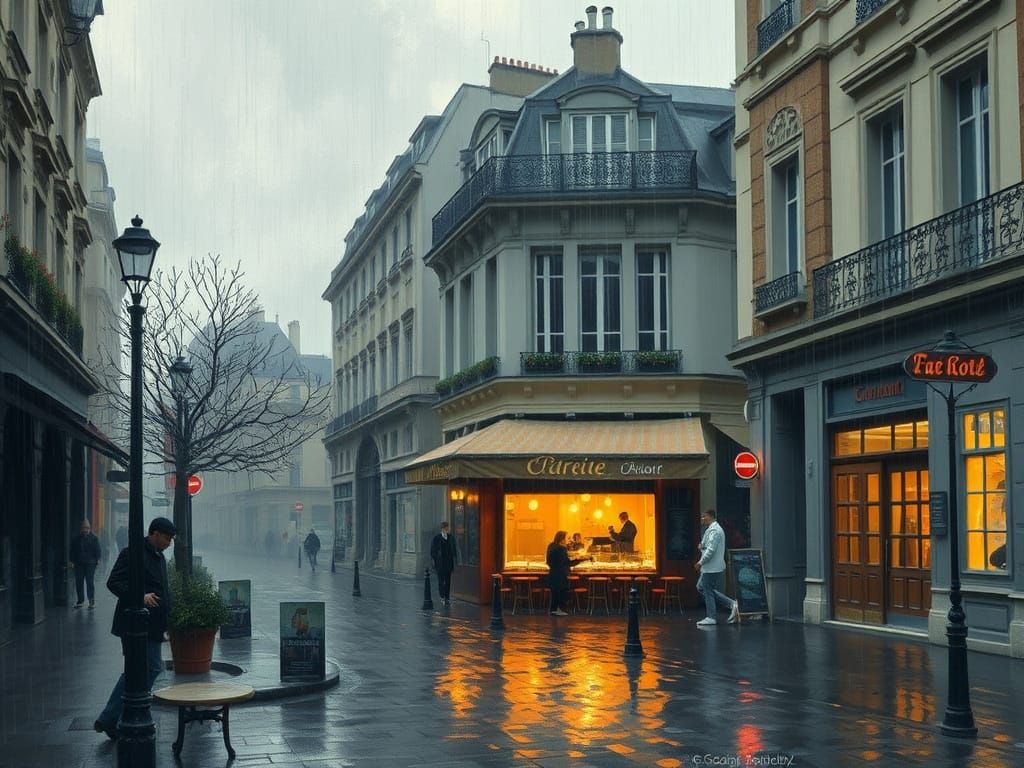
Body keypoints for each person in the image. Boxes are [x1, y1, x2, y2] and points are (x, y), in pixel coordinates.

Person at [94, 516, 176, 740]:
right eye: (167, 538)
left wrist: (167, 622)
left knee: (146, 669)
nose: (170, 542)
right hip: (134, 624)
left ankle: (114, 717)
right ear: (155, 534)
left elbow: (163, 590)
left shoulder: (158, 556)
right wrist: (139, 597)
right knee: (143, 669)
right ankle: (117, 716)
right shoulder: (132, 553)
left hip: (153, 624)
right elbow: (114, 582)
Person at [694, 508, 739, 627]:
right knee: (701, 587)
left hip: (712, 567)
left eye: (704, 516)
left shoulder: (715, 531)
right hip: (710, 567)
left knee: (706, 589)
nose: (702, 519)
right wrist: (701, 546)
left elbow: (711, 550)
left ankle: (712, 617)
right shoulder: (710, 530)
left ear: (710, 516)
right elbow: (704, 546)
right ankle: (732, 604)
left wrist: (700, 562)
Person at [546, 531, 592, 615]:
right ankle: (560, 610)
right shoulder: (561, 548)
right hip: (561, 574)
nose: (569, 540)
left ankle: (554, 610)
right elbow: (568, 563)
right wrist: (582, 559)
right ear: (562, 539)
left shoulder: (551, 546)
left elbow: (549, 561)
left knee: (555, 592)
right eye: (567, 538)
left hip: (553, 572)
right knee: (561, 592)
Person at [70, 519, 102, 609]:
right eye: (84, 528)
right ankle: (80, 600)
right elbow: (72, 550)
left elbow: (98, 550)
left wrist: (98, 559)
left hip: (90, 564)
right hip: (79, 563)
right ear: (81, 528)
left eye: (87, 528)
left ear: (89, 528)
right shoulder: (76, 539)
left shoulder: (94, 538)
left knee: (90, 582)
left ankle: (91, 601)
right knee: (79, 582)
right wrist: (71, 561)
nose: (85, 530)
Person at [430, 521, 458, 605]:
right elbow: (433, 551)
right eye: (445, 528)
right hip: (440, 563)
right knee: (441, 581)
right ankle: (442, 597)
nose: (446, 529)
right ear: (442, 529)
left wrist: (455, 559)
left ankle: (447, 597)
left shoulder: (450, 537)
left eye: (447, 527)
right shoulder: (436, 538)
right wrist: (435, 560)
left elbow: (454, 549)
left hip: (448, 563)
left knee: (448, 580)